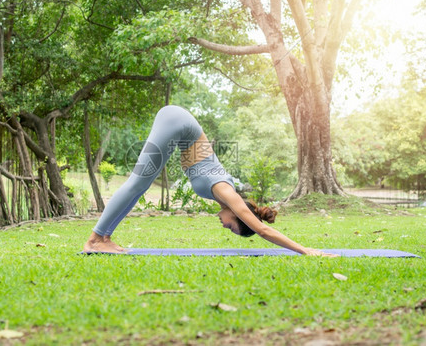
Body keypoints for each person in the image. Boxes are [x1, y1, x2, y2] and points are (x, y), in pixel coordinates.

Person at [83, 105, 336, 257]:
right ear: (237, 214)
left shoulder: (226, 190)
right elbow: (262, 229)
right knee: (138, 182)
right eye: (230, 227)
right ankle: (94, 239)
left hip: (179, 127)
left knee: (141, 186)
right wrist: (305, 250)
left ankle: (104, 239)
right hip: (178, 123)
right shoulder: (226, 192)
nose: (224, 226)